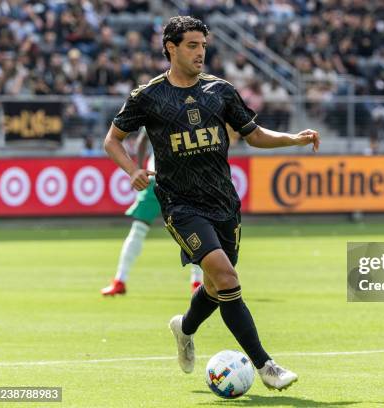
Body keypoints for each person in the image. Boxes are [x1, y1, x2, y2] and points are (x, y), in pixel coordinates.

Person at [103, 16, 320, 391]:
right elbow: (113, 139)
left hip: (223, 202)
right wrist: (132, 171)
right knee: (227, 276)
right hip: (179, 203)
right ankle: (266, 365)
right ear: (171, 47)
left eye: (203, 45)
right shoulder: (148, 96)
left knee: (218, 287)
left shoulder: (220, 91)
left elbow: (254, 135)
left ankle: (184, 328)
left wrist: (293, 139)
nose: (200, 52)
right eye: (192, 45)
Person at [101, 129, 204, 296]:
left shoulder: (157, 106)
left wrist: (140, 170)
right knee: (194, 231)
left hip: (161, 179)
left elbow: (142, 140)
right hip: (178, 180)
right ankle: (197, 283)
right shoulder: (188, 110)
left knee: (138, 230)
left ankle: (120, 280)